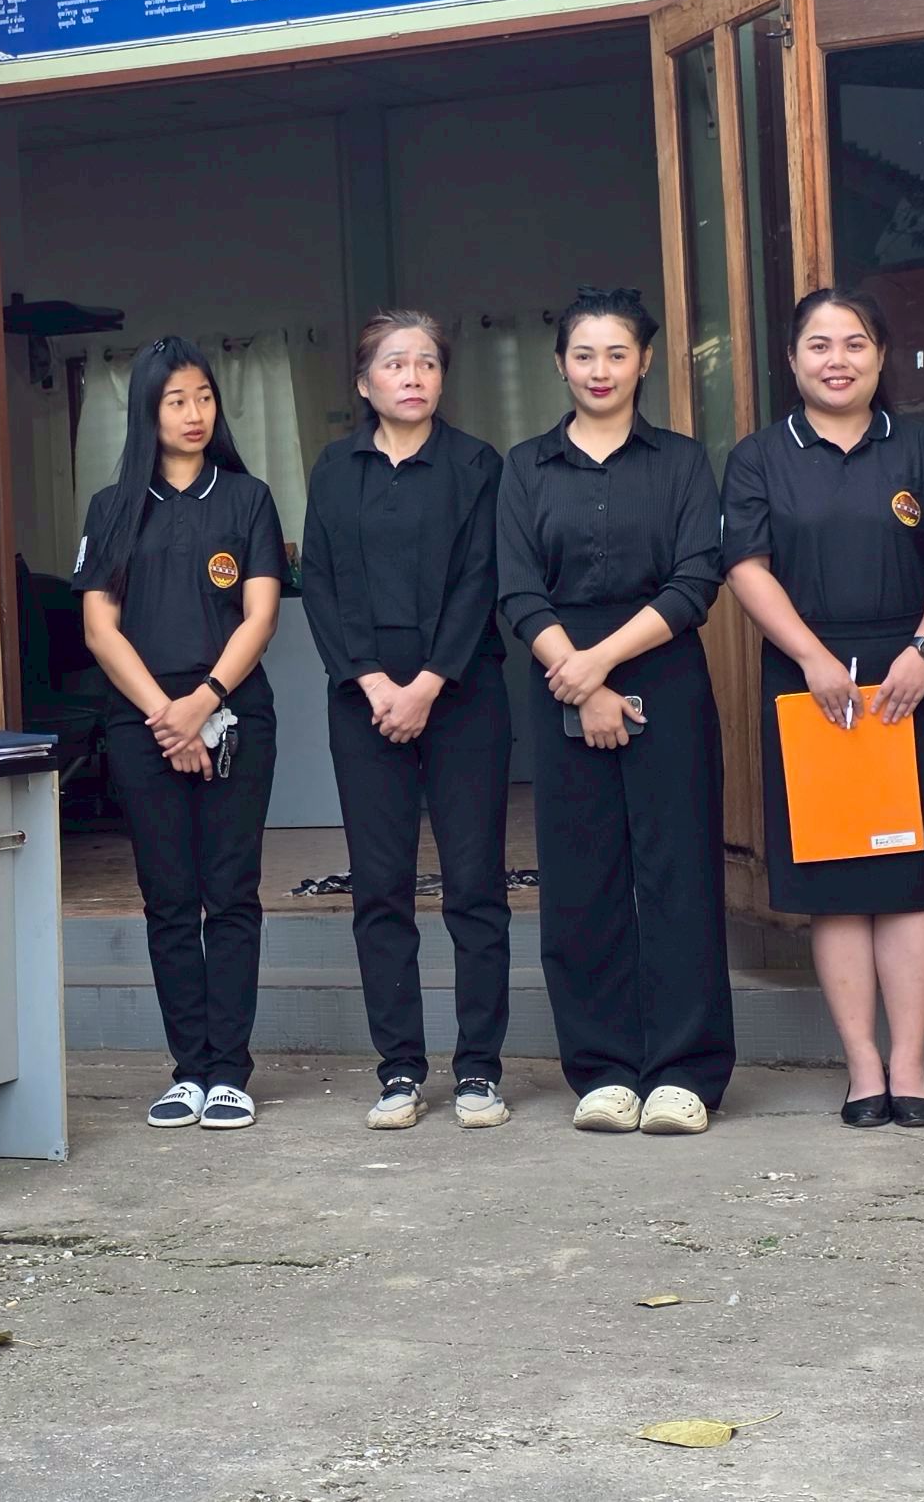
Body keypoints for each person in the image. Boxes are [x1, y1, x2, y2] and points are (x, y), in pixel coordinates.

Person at [723, 288, 924, 1129]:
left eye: (855, 343)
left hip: (908, 679)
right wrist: (811, 657)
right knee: (835, 882)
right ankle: (863, 1064)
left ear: (880, 355)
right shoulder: (760, 457)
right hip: (810, 682)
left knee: (907, 882)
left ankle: (910, 1064)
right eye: (819, 345)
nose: (838, 360)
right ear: (793, 361)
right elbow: (747, 566)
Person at [497, 286, 731, 1135]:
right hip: (560, 678)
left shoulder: (681, 461)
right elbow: (518, 588)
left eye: (618, 353)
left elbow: (696, 578)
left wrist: (600, 665)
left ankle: (683, 1072)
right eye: (584, 354)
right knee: (581, 879)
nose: (600, 369)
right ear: (561, 363)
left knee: (678, 874)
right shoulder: (526, 466)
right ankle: (603, 1070)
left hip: (663, 674)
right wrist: (582, 679)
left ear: (646, 361)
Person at [301, 310, 513, 1133]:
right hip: (364, 700)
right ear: (364, 382)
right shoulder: (334, 467)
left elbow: (481, 578)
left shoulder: (477, 464)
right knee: (380, 886)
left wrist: (426, 683)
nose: (414, 375)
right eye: (395, 363)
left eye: (427, 362)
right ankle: (398, 1068)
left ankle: (479, 1067)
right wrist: (371, 680)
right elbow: (321, 580)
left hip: (462, 691)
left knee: (474, 885)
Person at [73, 337, 286, 1132]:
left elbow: (260, 615)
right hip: (143, 725)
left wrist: (204, 701)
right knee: (168, 898)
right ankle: (188, 1070)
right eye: (175, 400)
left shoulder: (248, 498)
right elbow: (100, 629)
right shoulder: (112, 507)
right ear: (147, 412)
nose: (194, 413)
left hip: (233, 716)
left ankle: (229, 1071)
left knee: (230, 893)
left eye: (203, 397)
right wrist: (168, 715)